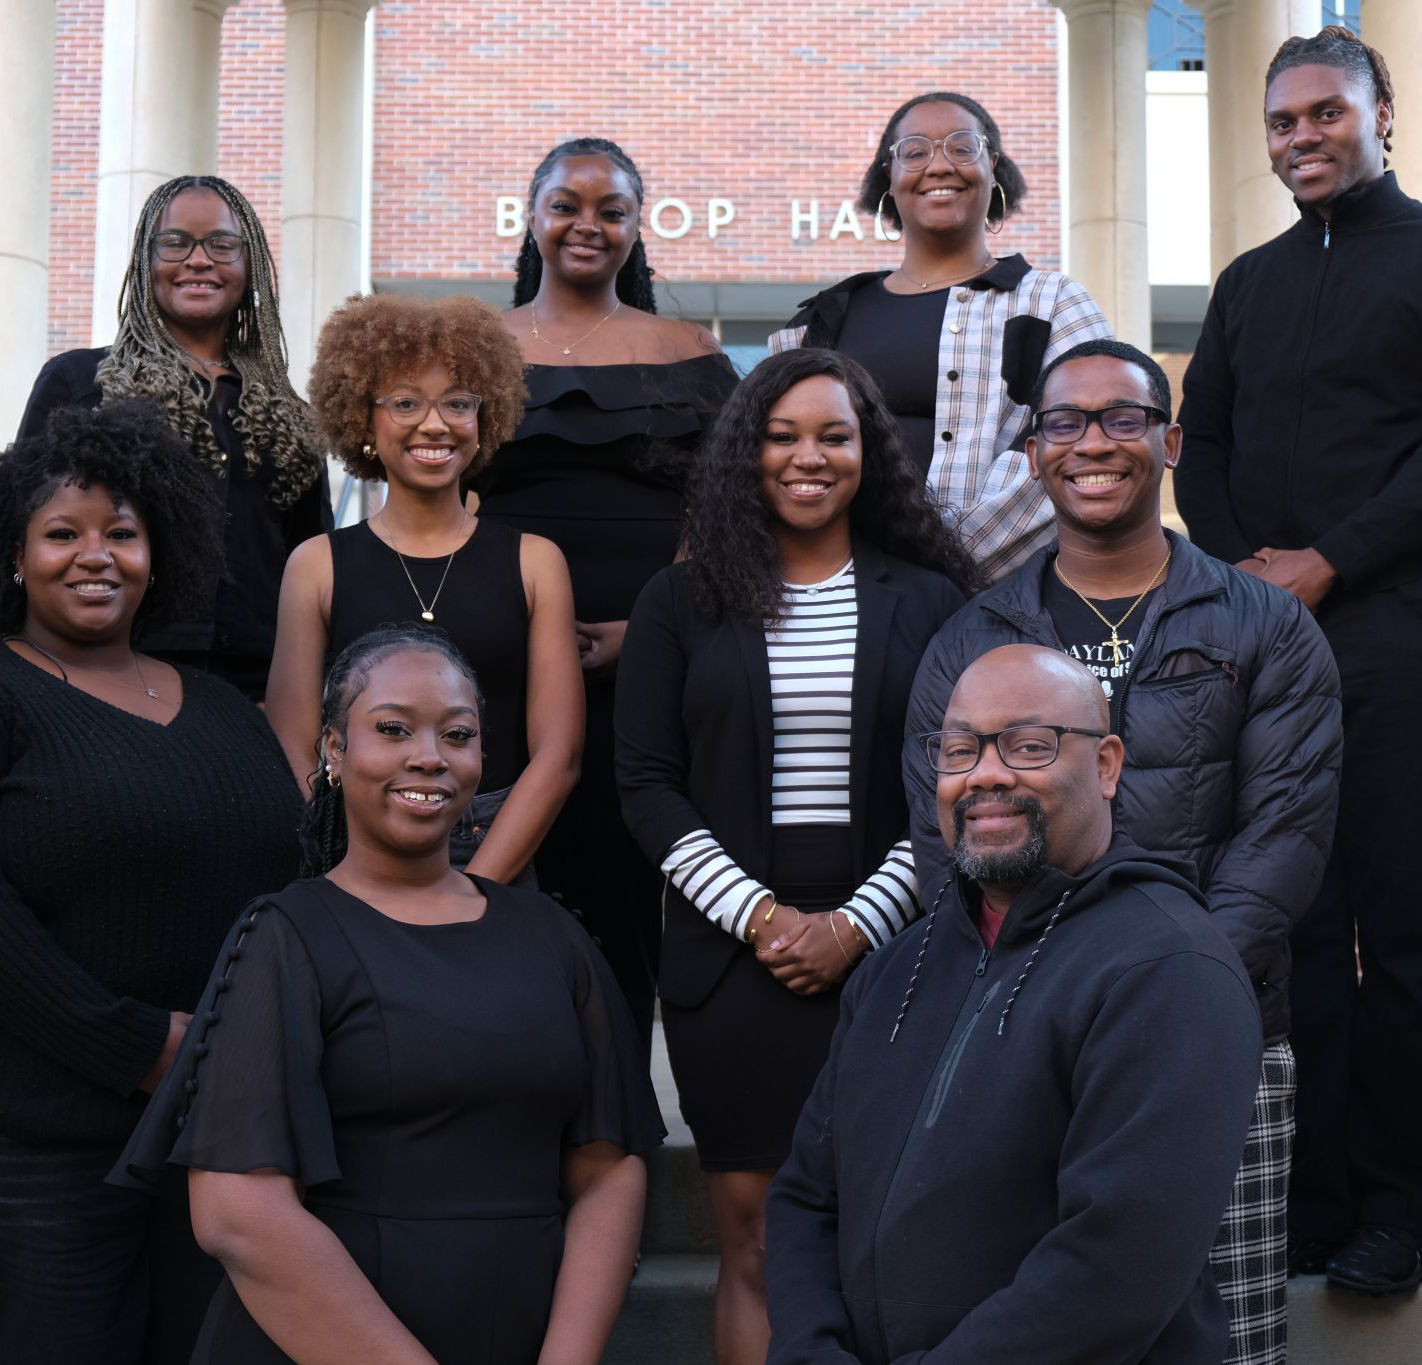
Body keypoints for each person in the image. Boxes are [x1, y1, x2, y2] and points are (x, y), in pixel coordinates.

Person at [902, 339, 1342, 1363]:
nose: (1093, 442)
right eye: (1065, 422)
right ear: (1032, 451)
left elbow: (1283, 840)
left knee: (1227, 1340)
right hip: (1015, 1038)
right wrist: (1038, 1005)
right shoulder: (973, 638)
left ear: (1170, 442)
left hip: (1220, 1036)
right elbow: (941, 840)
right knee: (1034, 1328)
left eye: (1123, 418)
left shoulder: (1266, 627)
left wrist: (1163, 1002)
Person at [112, 624, 664, 1364]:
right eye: (393, 728)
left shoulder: (551, 935)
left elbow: (610, 1167)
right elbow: (237, 1213)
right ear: (335, 750)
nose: (428, 757)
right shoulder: (287, 935)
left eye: (457, 733)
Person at [616, 348, 977, 1364]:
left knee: (885, 1229)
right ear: (745, 453)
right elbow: (647, 785)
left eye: (834, 436)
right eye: (781, 436)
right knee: (760, 1239)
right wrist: (771, 922)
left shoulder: (934, 600)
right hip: (735, 961)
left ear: (872, 453)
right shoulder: (679, 603)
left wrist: (858, 923)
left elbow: (956, 787)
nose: (807, 458)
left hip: (899, 950)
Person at [766, 644, 1264, 1365]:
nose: (986, 774)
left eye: (1029, 745)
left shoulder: (1170, 968)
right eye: (961, 749)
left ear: (1107, 765)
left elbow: (1115, 1269)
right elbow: (806, 1197)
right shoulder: (895, 969)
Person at [1175, 26, 1422, 1295]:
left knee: (1403, 935)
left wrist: (1330, 560)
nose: (1302, 139)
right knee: (1297, 933)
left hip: (1396, 643)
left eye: (1325, 114)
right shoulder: (1247, 283)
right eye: (1282, 123)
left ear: (1383, 113)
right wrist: (1239, 577)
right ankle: (1312, 1202)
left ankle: (1399, 1208)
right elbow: (1198, 445)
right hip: (1261, 651)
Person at [0, 402, 303, 1365]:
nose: (96, 555)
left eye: (122, 533)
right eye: (62, 533)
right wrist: (137, 1043)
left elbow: (285, 885)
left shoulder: (220, 707)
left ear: (156, 553)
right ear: (14, 556)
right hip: (49, 1150)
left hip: (220, 1137)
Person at [476, 137, 739, 1040]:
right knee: (497, 883)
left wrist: (651, 629)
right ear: (532, 215)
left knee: (624, 887)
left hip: (647, 659)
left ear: (637, 226)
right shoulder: (473, 347)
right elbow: (431, 486)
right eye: (566, 204)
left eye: (611, 209)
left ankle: (618, 1107)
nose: (587, 224)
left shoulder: (691, 351)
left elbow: (731, 510)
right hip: (495, 658)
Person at [266, 293, 581, 884]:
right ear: (363, 419)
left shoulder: (537, 564)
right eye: (406, 403)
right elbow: (295, 745)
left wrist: (477, 890)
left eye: (457, 403)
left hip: (499, 850)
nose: (433, 424)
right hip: (353, 855)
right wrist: (351, 871)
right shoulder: (316, 566)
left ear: (483, 419)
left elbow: (557, 757)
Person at [767, 92, 1111, 583]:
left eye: (961, 147)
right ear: (889, 176)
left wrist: (936, 573)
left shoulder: (1053, 303)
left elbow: (1078, 451)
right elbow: (762, 457)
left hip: (995, 595)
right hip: (836, 592)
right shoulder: (820, 322)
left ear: (992, 166)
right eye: (915, 151)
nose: (939, 166)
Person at [16, 175, 331, 704]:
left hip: (257, 688)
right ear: (146, 259)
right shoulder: (81, 382)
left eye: (222, 244)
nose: (199, 260)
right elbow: (19, 530)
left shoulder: (290, 413)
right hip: (106, 673)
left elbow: (312, 559)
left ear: (248, 263)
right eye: (176, 242)